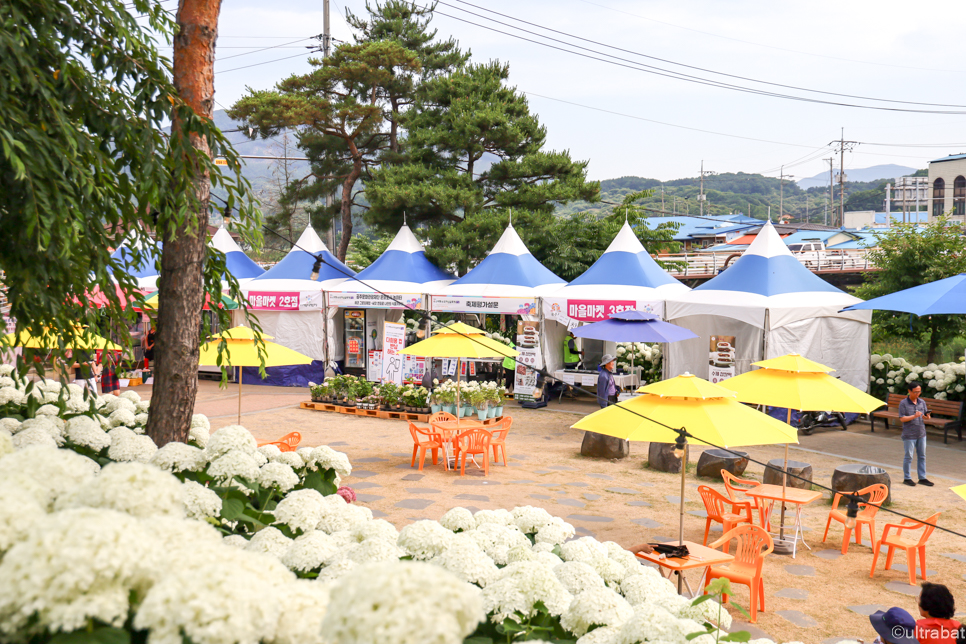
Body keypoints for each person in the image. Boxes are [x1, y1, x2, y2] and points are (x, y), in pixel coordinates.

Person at [898, 381, 933, 487]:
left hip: (921, 433)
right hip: (909, 434)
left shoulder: (922, 402)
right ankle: (907, 478)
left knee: (922, 456)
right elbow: (902, 418)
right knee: (909, 456)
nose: (917, 394)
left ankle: (922, 477)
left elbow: (925, 416)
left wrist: (927, 417)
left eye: (919, 392)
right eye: (915, 392)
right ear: (909, 391)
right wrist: (914, 416)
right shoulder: (903, 403)